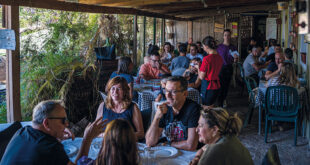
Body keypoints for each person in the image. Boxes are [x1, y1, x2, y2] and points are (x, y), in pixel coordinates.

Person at [0, 100, 75, 165]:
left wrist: (58, 134)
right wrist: (86, 139)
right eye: (63, 121)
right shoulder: (51, 148)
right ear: (46, 123)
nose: (67, 124)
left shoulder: (21, 132)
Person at [145, 76, 200, 151]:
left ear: (185, 94)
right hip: (170, 152)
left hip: (188, 155)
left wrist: (169, 144)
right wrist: (156, 117)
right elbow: (149, 142)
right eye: (166, 90)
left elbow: (191, 145)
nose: (168, 95)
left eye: (173, 92)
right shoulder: (165, 108)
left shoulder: (193, 109)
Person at [190, 107, 254, 165]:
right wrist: (197, 158)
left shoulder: (215, 151)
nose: (196, 130)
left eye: (201, 126)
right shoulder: (227, 137)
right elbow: (203, 148)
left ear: (214, 130)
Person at [194, 36, 223, 106]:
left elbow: (201, 77)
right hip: (217, 85)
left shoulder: (206, 59)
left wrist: (198, 67)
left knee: (206, 107)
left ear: (206, 46)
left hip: (208, 86)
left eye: (203, 46)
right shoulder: (220, 57)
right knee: (212, 106)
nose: (203, 48)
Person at [217, 29, 237, 107]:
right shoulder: (219, 47)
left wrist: (235, 59)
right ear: (223, 36)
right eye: (225, 35)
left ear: (230, 36)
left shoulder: (233, 47)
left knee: (226, 86)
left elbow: (235, 60)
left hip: (229, 67)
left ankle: (224, 99)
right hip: (220, 68)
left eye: (228, 35)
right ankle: (219, 102)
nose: (227, 37)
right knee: (220, 86)